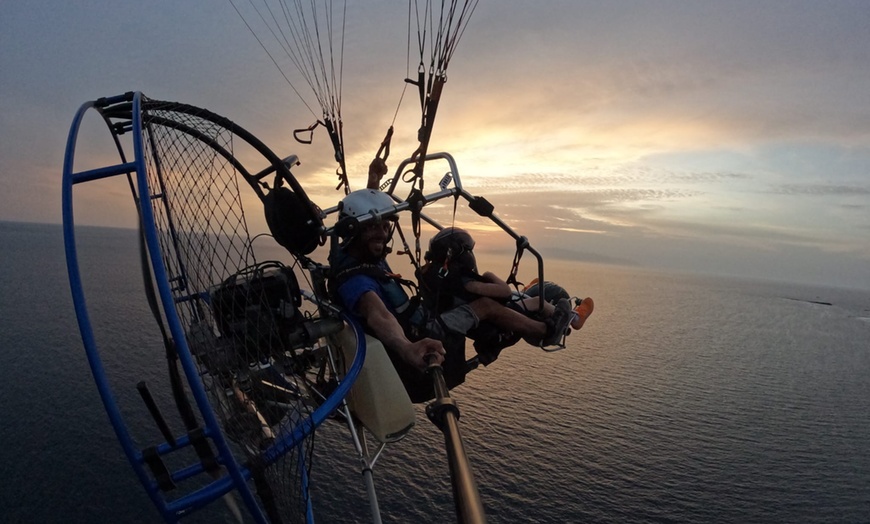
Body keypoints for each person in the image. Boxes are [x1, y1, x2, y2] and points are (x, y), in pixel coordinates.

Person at [329, 190, 576, 379]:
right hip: (421, 331)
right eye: (372, 227)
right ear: (354, 232)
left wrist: (374, 181)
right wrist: (407, 348)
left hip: (420, 317)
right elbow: (379, 316)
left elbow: (358, 218)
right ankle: (545, 331)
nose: (382, 234)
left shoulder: (354, 256)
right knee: (486, 306)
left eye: (384, 226)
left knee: (472, 303)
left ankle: (534, 313)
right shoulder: (357, 282)